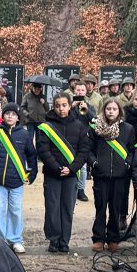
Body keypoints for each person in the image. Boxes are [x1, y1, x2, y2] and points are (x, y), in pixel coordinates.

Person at [37, 94, 92, 253]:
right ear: (54, 107)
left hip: (71, 174)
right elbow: (43, 150)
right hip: (52, 173)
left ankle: (64, 240)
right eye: (58, 105)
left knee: (67, 207)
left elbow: (84, 150)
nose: (61, 109)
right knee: (52, 207)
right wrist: (56, 168)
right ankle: (53, 240)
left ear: (70, 106)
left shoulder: (80, 126)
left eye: (64, 105)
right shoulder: (46, 127)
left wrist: (72, 168)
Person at [0, 103, 36, 253]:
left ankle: (15, 239)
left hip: (17, 181)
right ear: (3, 116)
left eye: (13, 114)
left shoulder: (24, 135)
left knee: (16, 210)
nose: (10, 116)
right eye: (7, 113)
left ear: (18, 117)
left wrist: (31, 175)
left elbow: (31, 155)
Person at [88, 99, 134, 252]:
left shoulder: (127, 129)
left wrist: (127, 163)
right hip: (101, 174)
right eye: (108, 108)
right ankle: (99, 238)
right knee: (100, 208)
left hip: (120, 176)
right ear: (104, 110)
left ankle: (113, 238)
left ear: (119, 111)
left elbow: (132, 149)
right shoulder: (96, 128)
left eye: (114, 109)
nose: (111, 111)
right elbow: (89, 149)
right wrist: (95, 163)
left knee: (115, 208)